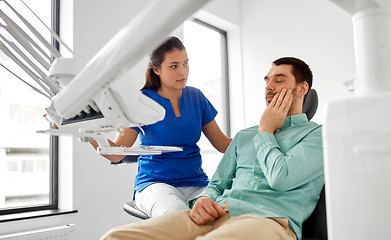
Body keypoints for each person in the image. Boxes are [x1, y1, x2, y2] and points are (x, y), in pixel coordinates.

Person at [100, 57, 324, 240]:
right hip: (217, 213)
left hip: (269, 221)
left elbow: (280, 178)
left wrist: (266, 130)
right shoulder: (245, 136)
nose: (269, 86)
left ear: (302, 88)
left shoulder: (319, 135)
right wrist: (204, 199)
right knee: (115, 236)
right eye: (267, 80)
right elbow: (217, 184)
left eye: (279, 79)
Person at [90, 36, 232, 218]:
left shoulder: (196, 97)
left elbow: (223, 144)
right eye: (174, 66)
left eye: (185, 64)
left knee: (227, 216)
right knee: (178, 218)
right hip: (155, 184)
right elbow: (116, 153)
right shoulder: (141, 101)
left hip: (197, 183)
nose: (183, 72)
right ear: (156, 69)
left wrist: (262, 135)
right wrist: (89, 133)